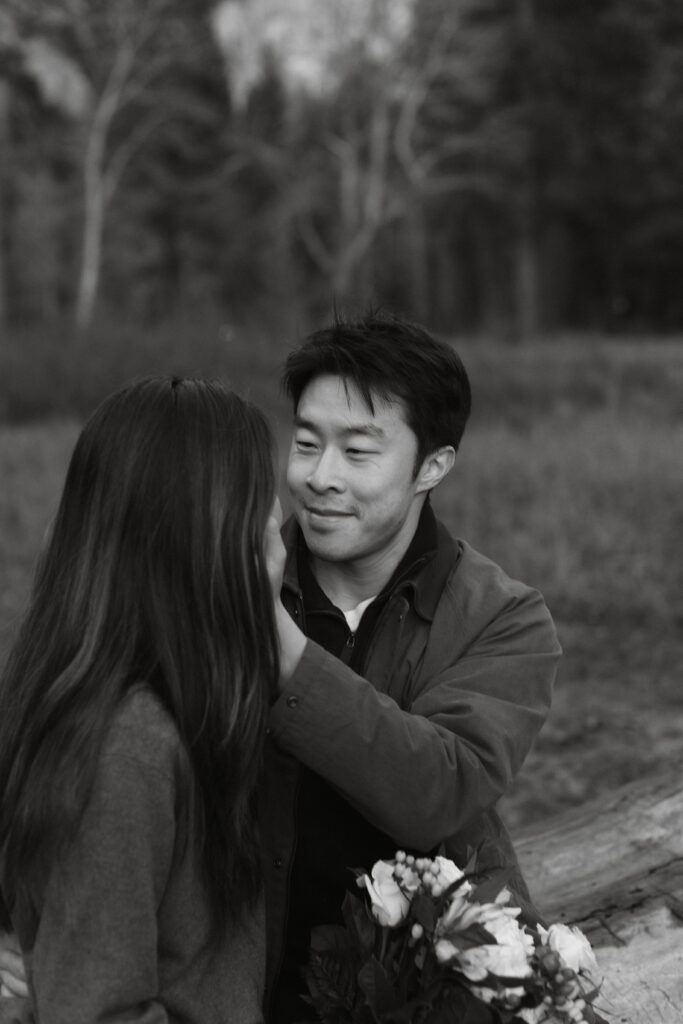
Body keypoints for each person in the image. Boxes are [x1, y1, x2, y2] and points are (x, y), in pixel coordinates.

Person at [261, 310, 562, 1021]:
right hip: (233, 982)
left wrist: (268, 633)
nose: (318, 478)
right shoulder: (220, 579)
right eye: (306, 444)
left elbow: (434, 792)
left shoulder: (501, 618)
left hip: (417, 994)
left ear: (433, 465)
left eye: (358, 452)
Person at [0, 377, 283, 1024]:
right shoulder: (129, 747)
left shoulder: (174, 712)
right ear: (195, 540)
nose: (277, 539)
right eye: (257, 510)